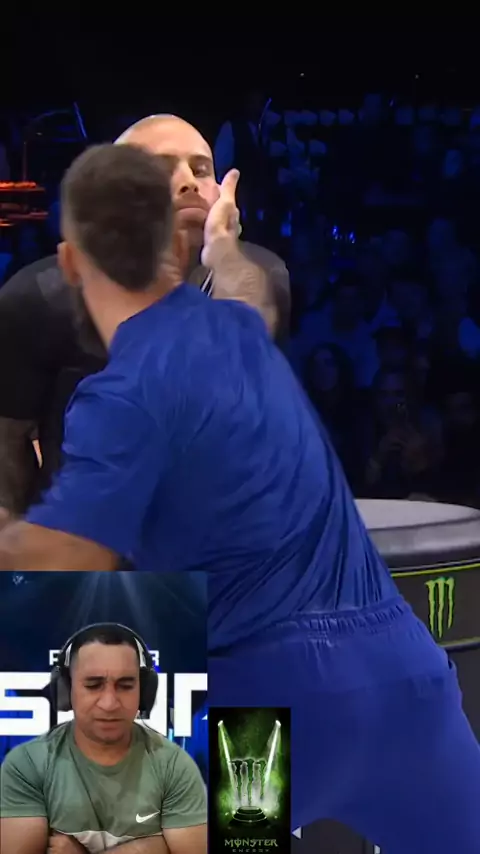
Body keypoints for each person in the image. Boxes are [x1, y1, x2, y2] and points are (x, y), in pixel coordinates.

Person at [1, 146, 480, 854]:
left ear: (72, 264)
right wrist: (223, 244)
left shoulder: (114, 396)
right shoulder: (242, 336)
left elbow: (64, 564)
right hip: (407, 677)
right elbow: (247, 295)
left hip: (266, 701)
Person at [0, 114, 290, 515]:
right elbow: (7, 449)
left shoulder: (261, 278)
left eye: (201, 170)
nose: (188, 182)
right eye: (159, 170)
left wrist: (224, 256)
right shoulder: (40, 296)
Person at [0, 624, 207, 854]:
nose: (109, 703)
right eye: (93, 685)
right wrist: (151, 847)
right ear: (66, 690)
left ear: (144, 693)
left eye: (125, 686)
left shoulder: (174, 766)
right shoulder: (28, 764)